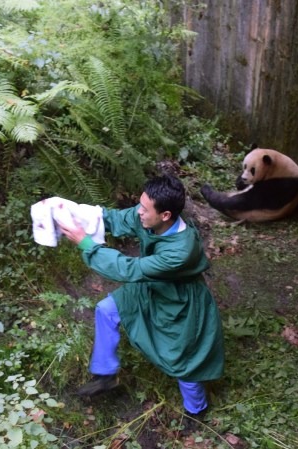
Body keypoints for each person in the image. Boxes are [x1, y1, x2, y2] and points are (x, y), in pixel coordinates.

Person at [58, 175, 224, 422]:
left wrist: (86, 244)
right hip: (152, 283)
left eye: (144, 209)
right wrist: (73, 212)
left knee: (184, 363)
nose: (138, 213)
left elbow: (128, 269)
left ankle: (196, 411)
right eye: (140, 204)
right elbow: (116, 218)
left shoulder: (181, 251)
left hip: (180, 301)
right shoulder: (149, 217)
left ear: (165, 215)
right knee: (106, 309)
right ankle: (105, 375)